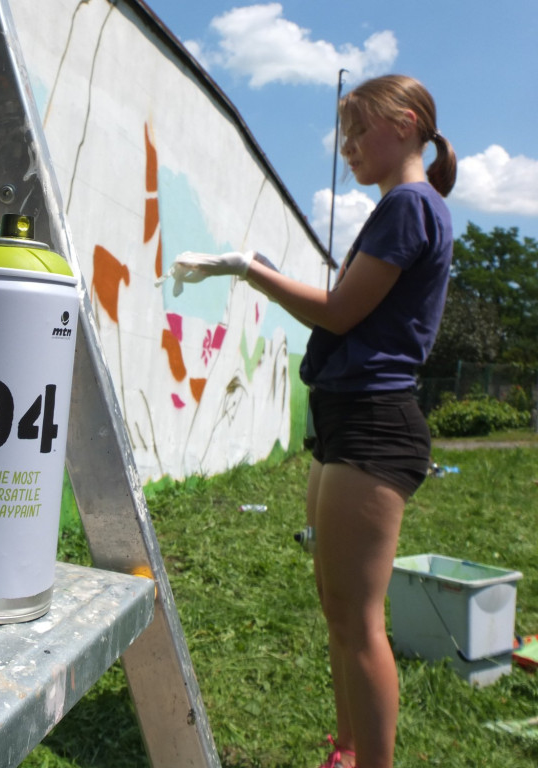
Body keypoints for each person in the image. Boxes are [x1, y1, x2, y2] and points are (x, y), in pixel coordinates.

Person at [167, 74, 456, 768]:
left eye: (360, 132)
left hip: (374, 424)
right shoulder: (404, 207)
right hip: (342, 418)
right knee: (337, 606)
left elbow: (335, 311)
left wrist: (246, 270)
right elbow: (345, 306)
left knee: (358, 619)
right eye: (344, 134)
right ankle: (348, 751)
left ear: (409, 124)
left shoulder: (410, 205)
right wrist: (264, 269)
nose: (347, 147)